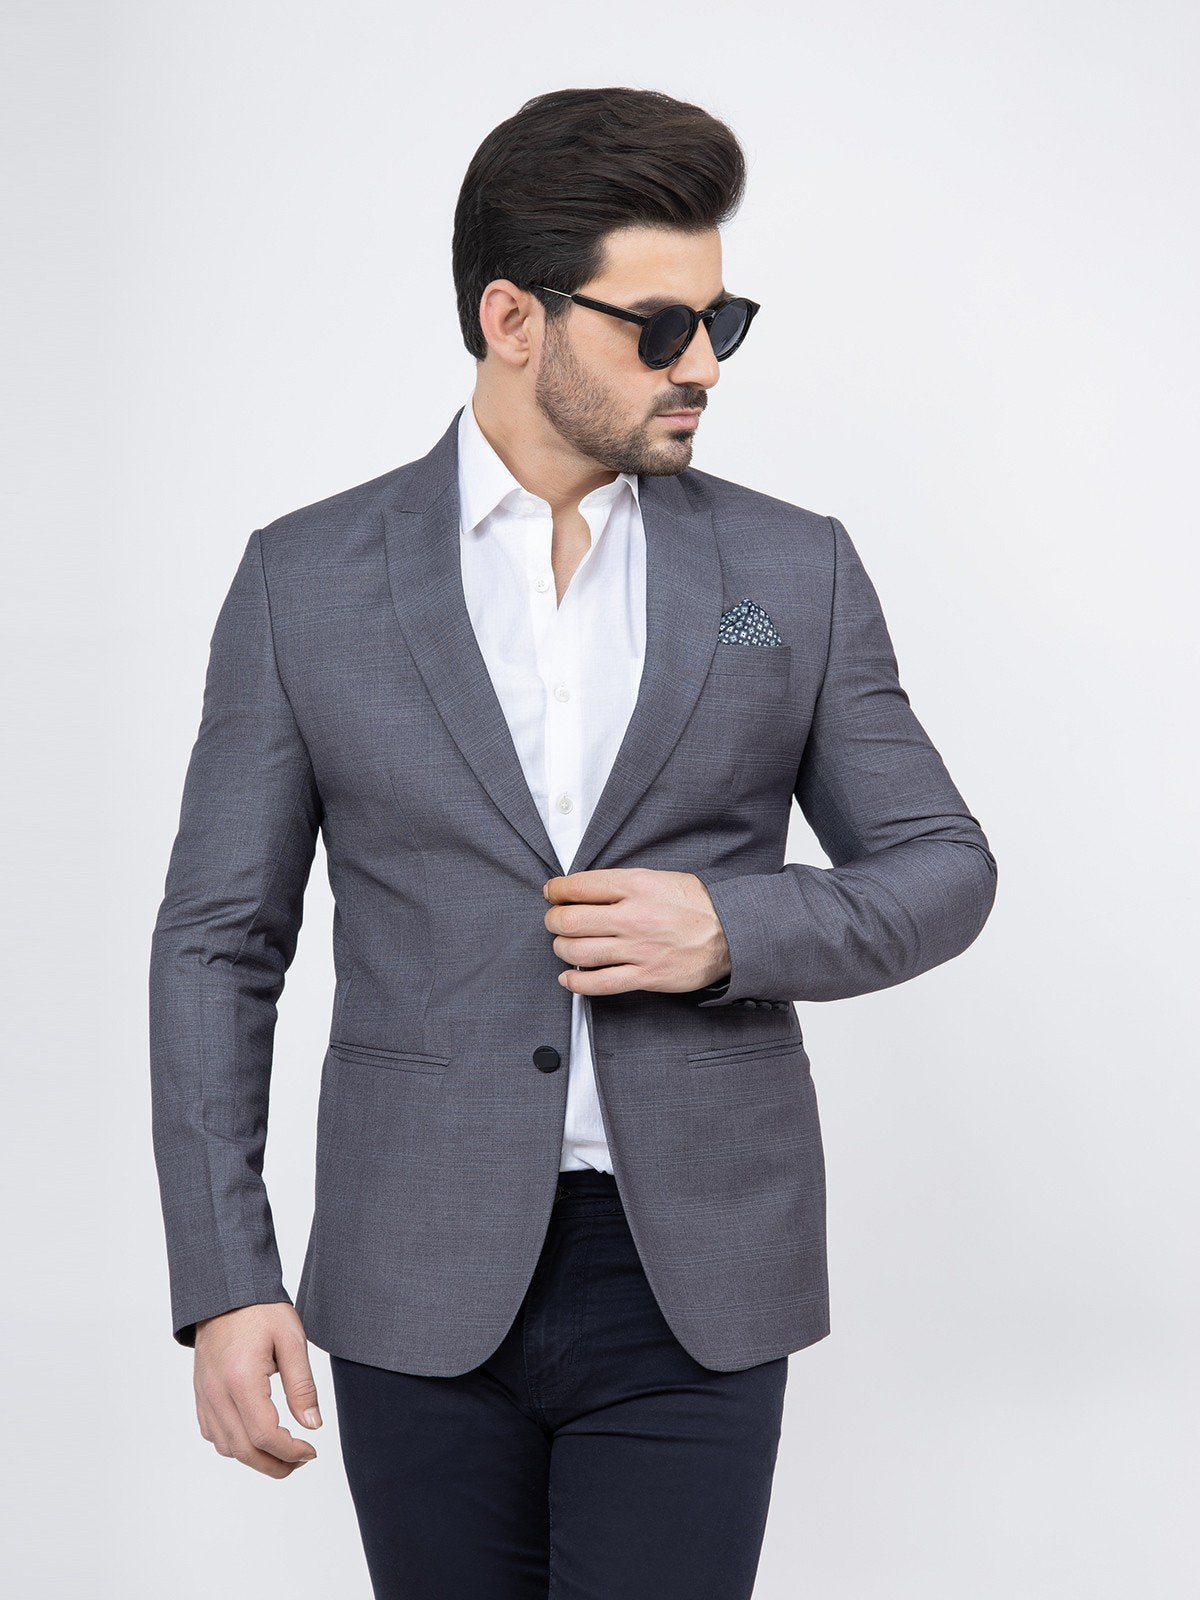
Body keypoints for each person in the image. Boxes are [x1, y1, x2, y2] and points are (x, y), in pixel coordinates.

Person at [149, 85, 998, 1598]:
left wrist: (732, 930)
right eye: (659, 328)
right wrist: (225, 1280)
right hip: (414, 1265)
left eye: (721, 322)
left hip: (695, 1272)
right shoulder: (309, 580)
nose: (703, 366)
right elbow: (220, 943)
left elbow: (943, 865)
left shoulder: (788, 570)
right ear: (512, 320)